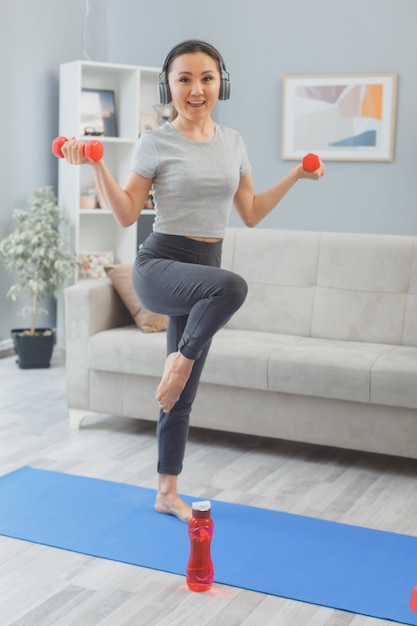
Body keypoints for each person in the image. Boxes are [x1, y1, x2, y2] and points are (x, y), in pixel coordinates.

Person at [61, 40, 325, 523]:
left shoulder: (234, 142)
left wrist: (295, 177)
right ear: (170, 87)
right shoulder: (155, 141)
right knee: (231, 288)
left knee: (180, 396)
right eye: (184, 79)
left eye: (206, 77)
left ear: (221, 81)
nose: (196, 88)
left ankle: (166, 491)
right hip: (161, 265)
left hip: (203, 271)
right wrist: (97, 163)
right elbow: (124, 215)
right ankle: (178, 363)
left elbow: (250, 213)